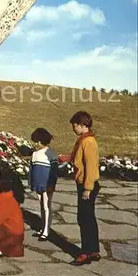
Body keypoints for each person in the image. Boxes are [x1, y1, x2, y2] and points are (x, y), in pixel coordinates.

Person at [68, 111, 101, 266]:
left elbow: (91, 166)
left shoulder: (88, 142)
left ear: (82, 125)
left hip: (88, 185)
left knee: (84, 219)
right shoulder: (84, 140)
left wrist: (87, 188)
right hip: (86, 184)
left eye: (74, 125)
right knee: (89, 218)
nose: (73, 128)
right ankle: (93, 250)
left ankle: (85, 253)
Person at [29, 128, 58, 241]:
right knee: (41, 206)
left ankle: (46, 230)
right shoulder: (35, 154)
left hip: (47, 185)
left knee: (46, 206)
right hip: (38, 185)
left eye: (37, 142)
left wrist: (51, 185)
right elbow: (31, 170)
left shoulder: (50, 154)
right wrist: (31, 182)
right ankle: (43, 227)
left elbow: (54, 172)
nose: (36, 144)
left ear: (42, 141)